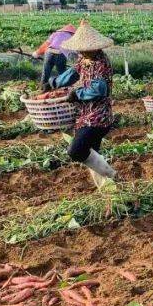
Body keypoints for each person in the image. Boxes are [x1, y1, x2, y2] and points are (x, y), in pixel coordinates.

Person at [56, 21, 118, 190]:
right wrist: (53, 83)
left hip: (98, 117)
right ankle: (108, 191)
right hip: (85, 114)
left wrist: (76, 94)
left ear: (95, 47)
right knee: (93, 154)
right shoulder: (84, 58)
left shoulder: (101, 63)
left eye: (84, 48)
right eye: (80, 49)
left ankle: (113, 176)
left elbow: (99, 90)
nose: (81, 51)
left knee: (76, 151)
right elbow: (73, 73)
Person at [32, 23, 77, 90]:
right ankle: (62, 88)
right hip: (60, 54)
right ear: (72, 32)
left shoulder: (55, 34)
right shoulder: (72, 37)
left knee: (46, 71)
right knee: (62, 74)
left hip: (49, 53)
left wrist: (37, 53)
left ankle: (42, 87)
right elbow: (75, 50)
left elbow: (46, 45)